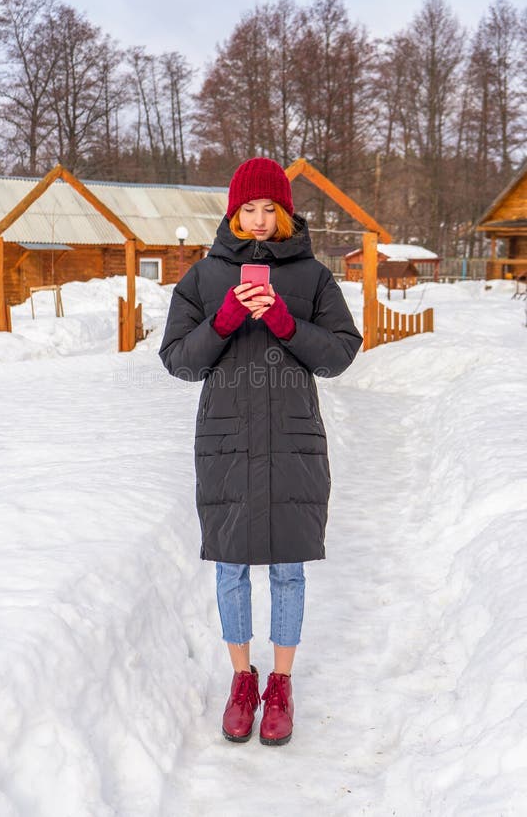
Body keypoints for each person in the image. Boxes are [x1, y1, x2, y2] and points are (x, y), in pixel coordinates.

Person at [158, 157, 363, 745]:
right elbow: (178, 362)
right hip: (226, 441)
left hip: (291, 440)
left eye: (269, 208)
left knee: (289, 568)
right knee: (230, 567)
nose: (258, 219)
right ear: (232, 212)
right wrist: (223, 321)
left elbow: (341, 354)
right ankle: (241, 679)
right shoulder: (203, 277)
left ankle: (281, 682)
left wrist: (284, 321)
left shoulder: (313, 277)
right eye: (248, 209)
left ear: (285, 212)